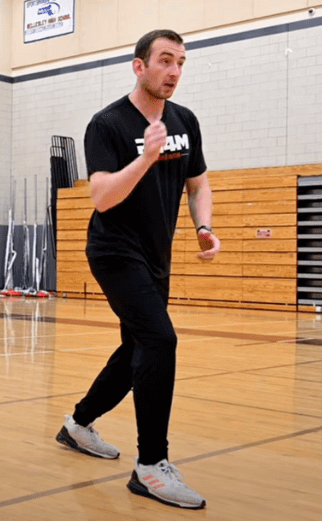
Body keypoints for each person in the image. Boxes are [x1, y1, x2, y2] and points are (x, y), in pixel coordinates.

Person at [54, 29, 220, 510]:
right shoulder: (106, 124)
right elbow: (102, 196)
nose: (174, 71)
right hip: (113, 250)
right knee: (159, 340)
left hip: (156, 255)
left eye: (181, 63)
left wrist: (204, 226)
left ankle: (78, 424)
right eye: (165, 61)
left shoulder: (185, 120)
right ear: (139, 66)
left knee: (136, 347)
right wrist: (146, 156)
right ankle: (150, 466)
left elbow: (198, 184)